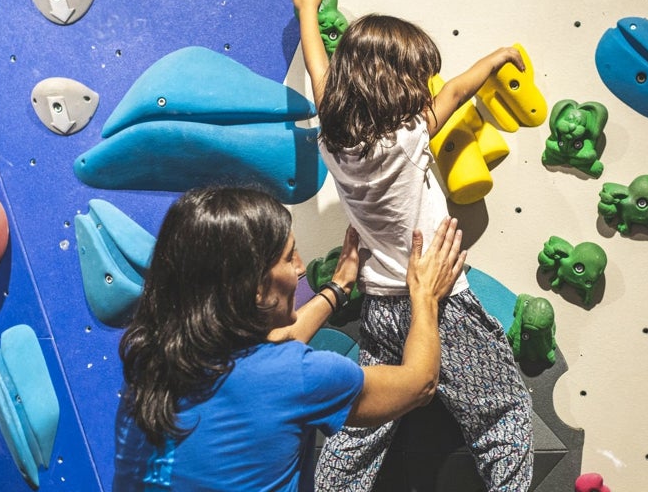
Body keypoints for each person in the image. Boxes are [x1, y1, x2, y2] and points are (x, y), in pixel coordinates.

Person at [292, 0, 534, 491]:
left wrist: (307, 10)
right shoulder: (407, 138)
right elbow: (455, 92)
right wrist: (498, 57)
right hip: (439, 304)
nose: (426, 89)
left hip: (380, 305)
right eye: (416, 79)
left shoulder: (334, 141)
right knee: (504, 416)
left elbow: (320, 73)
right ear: (390, 83)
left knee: (364, 427)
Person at [113, 186, 466, 491]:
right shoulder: (295, 376)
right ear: (252, 288)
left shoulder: (152, 365)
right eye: (287, 257)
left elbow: (270, 358)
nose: (300, 267)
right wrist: (424, 296)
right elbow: (419, 383)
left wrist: (338, 289)